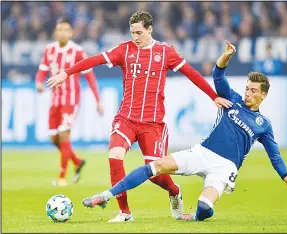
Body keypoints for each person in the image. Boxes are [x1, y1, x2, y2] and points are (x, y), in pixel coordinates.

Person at [80, 40, 287, 222]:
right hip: (202, 152)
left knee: (204, 208)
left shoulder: (264, 124)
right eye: (247, 88)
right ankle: (106, 196)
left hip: (225, 168)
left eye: (253, 91)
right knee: (155, 166)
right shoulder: (232, 100)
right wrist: (226, 56)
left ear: (263, 95)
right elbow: (218, 75)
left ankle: (192, 217)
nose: (248, 93)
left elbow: (276, 158)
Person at [46, 11, 232, 222]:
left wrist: (213, 97)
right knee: (115, 156)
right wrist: (66, 73)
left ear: (150, 29)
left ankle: (174, 191)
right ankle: (125, 212)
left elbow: (192, 73)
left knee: (154, 174)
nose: (136, 37)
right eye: (132, 32)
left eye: (139, 32)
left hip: (153, 124)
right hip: (126, 118)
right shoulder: (124, 50)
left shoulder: (165, 52)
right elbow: (95, 60)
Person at [35, 18, 104, 186]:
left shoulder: (78, 52)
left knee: (64, 134)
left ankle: (61, 177)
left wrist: (98, 100)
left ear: (71, 33)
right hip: (55, 100)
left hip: (71, 101)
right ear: (55, 32)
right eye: (59, 29)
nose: (62, 32)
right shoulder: (49, 50)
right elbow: (42, 70)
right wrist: (38, 82)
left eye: (66, 30)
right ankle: (77, 162)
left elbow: (90, 76)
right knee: (54, 138)